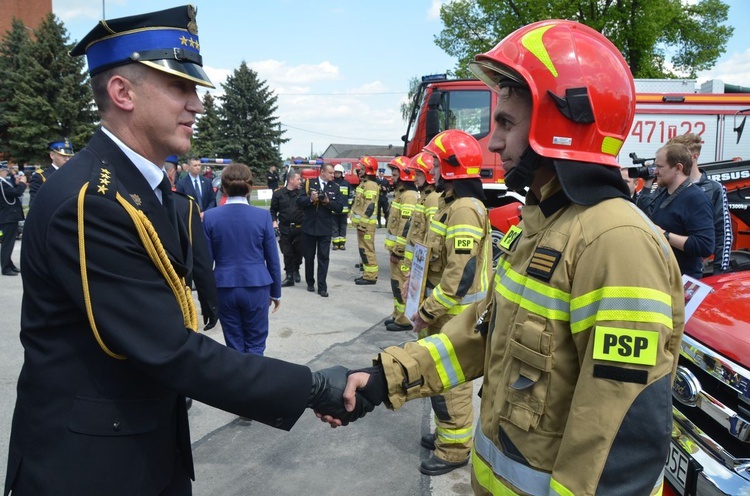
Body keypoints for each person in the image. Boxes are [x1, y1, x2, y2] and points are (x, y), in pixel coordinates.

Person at [4, 6, 370, 494]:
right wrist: (314, 387)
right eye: (181, 87)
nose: (197, 104)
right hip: (92, 466)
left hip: (138, 443)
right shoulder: (91, 201)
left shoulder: (145, 188)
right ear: (122, 92)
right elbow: (170, 349)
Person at [325, 20, 685, 496]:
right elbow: (482, 335)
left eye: (506, 124)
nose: (492, 144)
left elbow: (619, 433)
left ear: (559, 128)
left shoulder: (616, 243)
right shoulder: (545, 226)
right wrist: (381, 379)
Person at [203, 164, 280, 355]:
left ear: (223, 187)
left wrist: (207, 296)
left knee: (234, 345)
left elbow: (205, 261)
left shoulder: (210, 217)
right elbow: (272, 258)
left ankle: (238, 383)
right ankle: (256, 383)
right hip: (256, 285)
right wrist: (276, 292)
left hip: (224, 287)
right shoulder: (262, 216)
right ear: (250, 187)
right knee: (256, 344)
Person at [642, 143, 714, 278]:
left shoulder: (696, 199)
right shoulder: (662, 193)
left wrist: (664, 234)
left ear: (678, 168)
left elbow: (705, 246)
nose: (655, 171)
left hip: (681, 284)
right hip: (662, 278)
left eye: (659, 167)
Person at [165, 157, 219, 331]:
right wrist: (209, 304)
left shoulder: (121, 199)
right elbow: (199, 260)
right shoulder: (183, 205)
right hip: (176, 292)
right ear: (172, 174)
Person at [668, 133, 732, 274]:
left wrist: (720, 271)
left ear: (694, 157)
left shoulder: (714, 188)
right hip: (669, 266)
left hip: (698, 268)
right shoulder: (665, 187)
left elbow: (723, 232)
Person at [383, 156, 420, 332]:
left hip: (402, 252)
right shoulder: (401, 194)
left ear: (405, 175)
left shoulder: (409, 196)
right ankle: (398, 315)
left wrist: (398, 251)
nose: (392, 177)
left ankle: (404, 319)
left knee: (401, 286)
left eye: (395, 173)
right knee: (396, 285)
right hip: (397, 251)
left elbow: (406, 227)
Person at [297, 162, 344, 297]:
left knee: (324, 258)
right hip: (309, 228)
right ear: (322, 172)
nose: (332, 175)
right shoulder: (308, 183)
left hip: (325, 228)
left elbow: (340, 207)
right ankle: (310, 282)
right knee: (309, 257)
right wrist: (310, 200)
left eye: (333, 173)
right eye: (330, 173)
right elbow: (299, 202)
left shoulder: (335, 187)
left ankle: (322, 286)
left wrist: (328, 202)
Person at [271, 169, 304, 286]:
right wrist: (274, 222)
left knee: (299, 252)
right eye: (298, 179)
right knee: (287, 252)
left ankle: (296, 270)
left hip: (299, 228)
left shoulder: (302, 194)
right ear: (291, 180)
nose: (300, 181)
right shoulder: (278, 194)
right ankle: (289, 276)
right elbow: (273, 210)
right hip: (284, 228)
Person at [351, 156, 380, 285]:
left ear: (368, 169)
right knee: (364, 249)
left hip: (366, 226)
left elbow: (370, 206)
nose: (359, 170)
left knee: (367, 249)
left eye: (362, 168)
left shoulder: (370, 186)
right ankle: (367, 271)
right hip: (363, 225)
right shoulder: (364, 183)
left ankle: (370, 276)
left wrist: (362, 224)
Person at [28, 139, 75, 207]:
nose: (67, 159)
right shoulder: (41, 177)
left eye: (69, 156)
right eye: (63, 155)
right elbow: (35, 206)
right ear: (52, 155)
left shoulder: (74, 175)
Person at [0, 163, 26, 275]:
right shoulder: (1, 183)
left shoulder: (4, 182)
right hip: (8, 216)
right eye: (5, 169)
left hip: (10, 216)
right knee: (8, 243)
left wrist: (16, 184)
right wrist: (22, 183)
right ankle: (6, 268)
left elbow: (12, 193)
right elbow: (16, 193)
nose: (7, 171)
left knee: (9, 243)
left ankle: (9, 264)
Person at [331, 164, 351, 250]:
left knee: (343, 227)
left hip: (344, 210)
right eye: (336, 173)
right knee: (334, 227)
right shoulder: (331, 183)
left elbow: (350, 196)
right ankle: (335, 244)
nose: (337, 174)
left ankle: (342, 244)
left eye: (339, 173)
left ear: (342, 173)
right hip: (334, 210)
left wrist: (349, 207)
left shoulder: (346, 183)